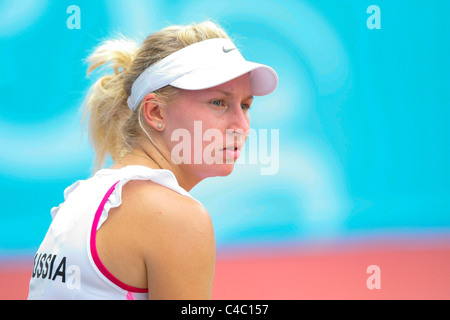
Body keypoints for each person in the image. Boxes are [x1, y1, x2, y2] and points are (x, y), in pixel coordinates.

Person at [27, 20, 278, 300]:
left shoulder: (80, 197)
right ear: (155, 112)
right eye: (218, 102)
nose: (241, 126)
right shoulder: (176, 216)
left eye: (245, 105)